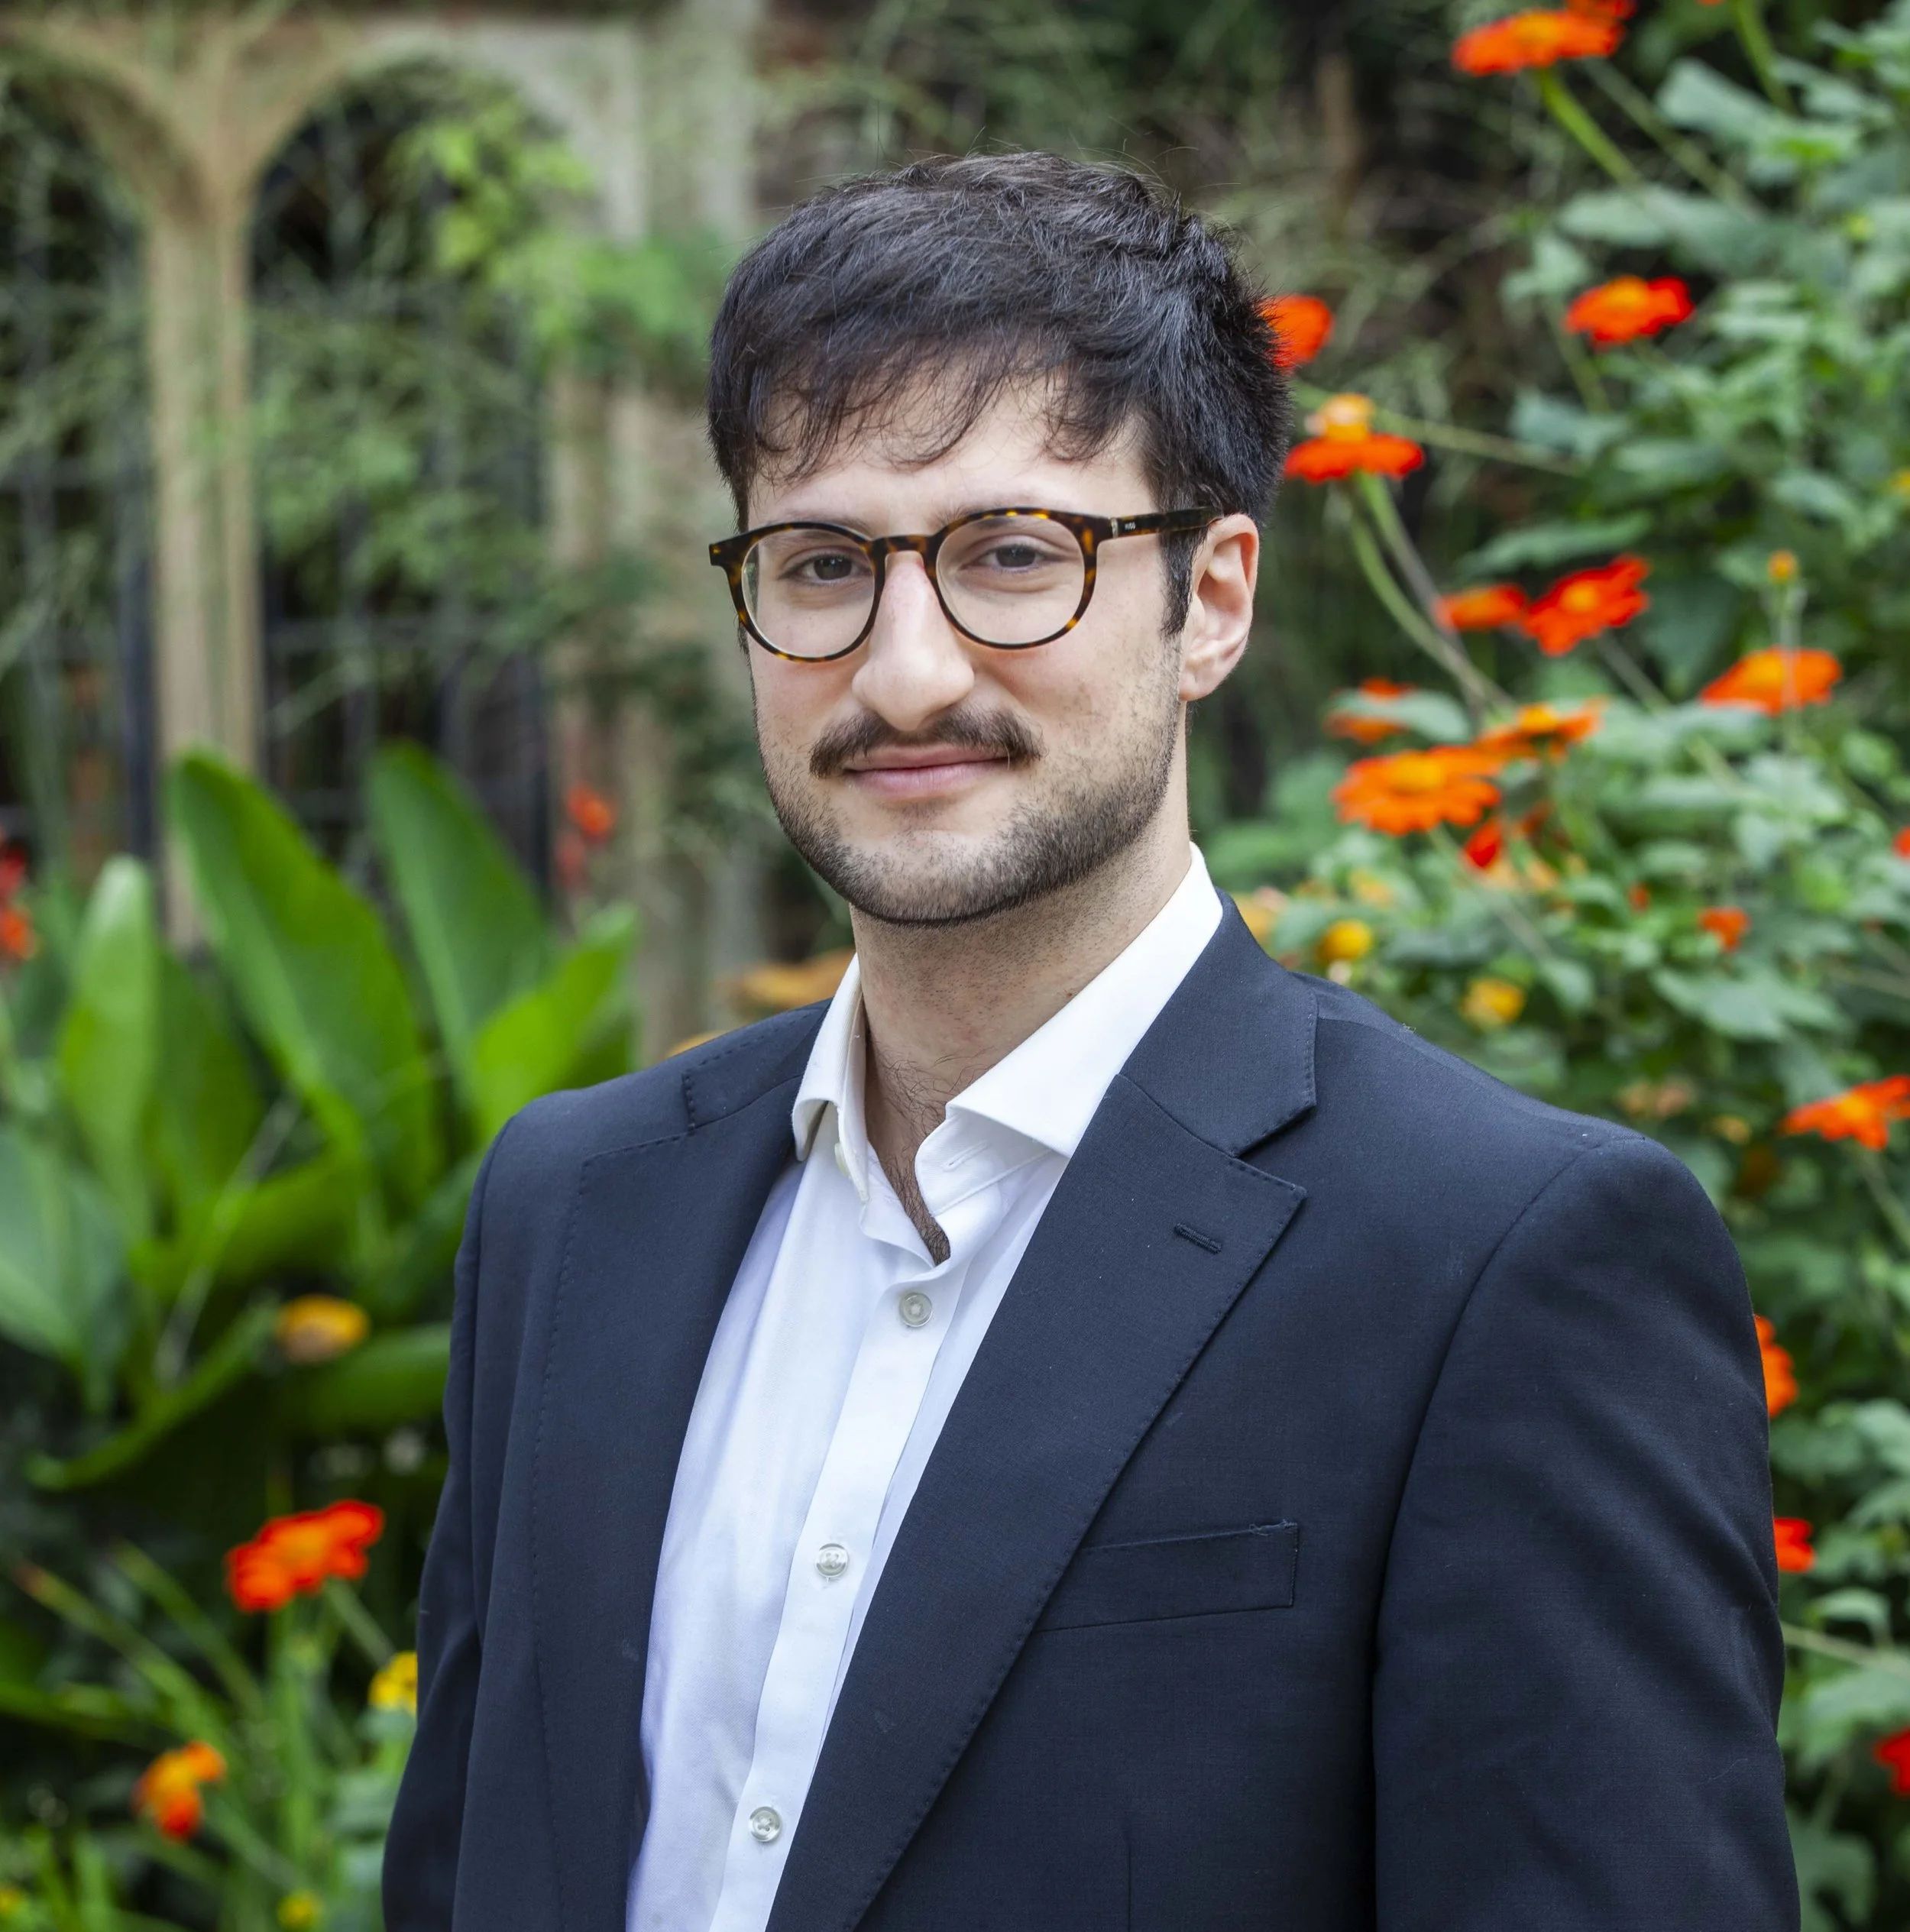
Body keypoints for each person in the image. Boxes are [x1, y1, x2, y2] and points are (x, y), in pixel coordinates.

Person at [384, 154, 1796, 1932]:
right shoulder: (573, 1208)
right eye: (820, 564)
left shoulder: (1498, 1262)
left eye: (1010, 556)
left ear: (1211, 600)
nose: (904, 671)